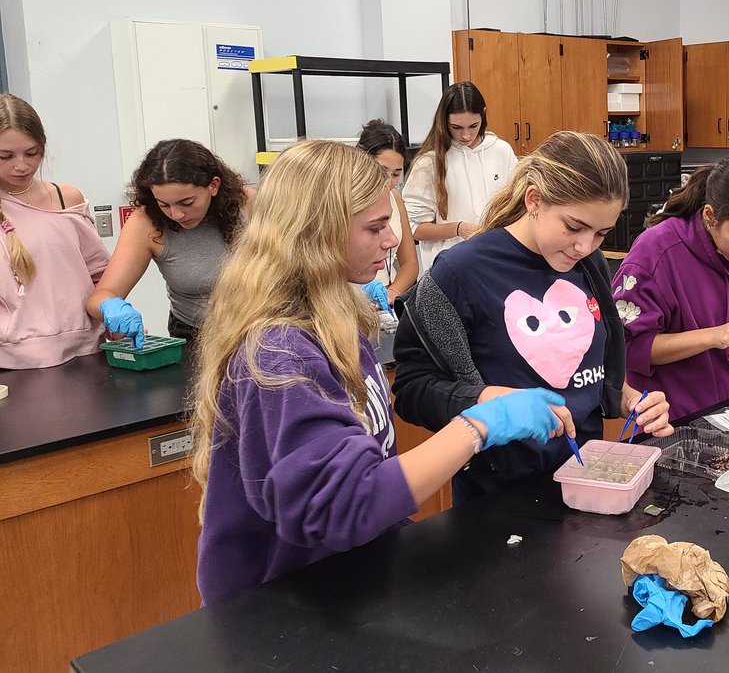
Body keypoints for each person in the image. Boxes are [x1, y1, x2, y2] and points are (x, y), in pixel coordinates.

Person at [190, 139, 566, 605]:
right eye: (375, 227)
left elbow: (368, 464)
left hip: (340, 579)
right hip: (279, 607)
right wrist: (477, 428)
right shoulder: (279, 356)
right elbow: (346, 504)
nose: (392, 241)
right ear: (315, 235)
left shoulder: (338, 322)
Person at [392, 131, 672, 503]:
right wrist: (488, 400)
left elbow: (587, 374)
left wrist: (627, 399)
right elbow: (412, 391)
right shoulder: (461, 272)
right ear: (534, 200)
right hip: (496, 501)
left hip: (583, 483)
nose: (585, 246)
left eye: (601, 233)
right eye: (573, 227)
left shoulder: (589, 266)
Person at [613, 154, 729, 421]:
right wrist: (715, 336)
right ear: (710, 216)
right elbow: (630, 349)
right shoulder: (656, 253)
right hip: (672, 421)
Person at [88, 139, 255, 345]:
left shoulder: (249, 205)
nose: (176, 214)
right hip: (195, 335)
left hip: (258, 328)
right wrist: (111, 307)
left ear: (213, 185)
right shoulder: (146, 222)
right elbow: (100, 296)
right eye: (164, 205)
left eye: (187, 203)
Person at [0, 94, 109, 369]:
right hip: (13, 363)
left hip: (86, 351)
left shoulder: (66, 198)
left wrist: (112, 310)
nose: (21, 165)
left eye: (32, 153)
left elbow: (101, 274)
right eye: (5, 156)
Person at [402, 81, 517, 272]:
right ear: (444, 121)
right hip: (448, 269)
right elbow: (415, 228)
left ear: (484, 115)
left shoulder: (501, 151)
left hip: (496, 262)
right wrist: (459, 228)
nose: (465, 135)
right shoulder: (429, 162)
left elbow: (517, 205)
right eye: (456, 127)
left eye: (473, 126)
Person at [355, 119, 419, 308]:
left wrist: (391, 294)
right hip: (349, 301)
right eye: (382, 170)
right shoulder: (342, 201)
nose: (388, 181)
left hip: (384, 301)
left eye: (396, 173)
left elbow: (410, 264)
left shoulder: (395, 198)